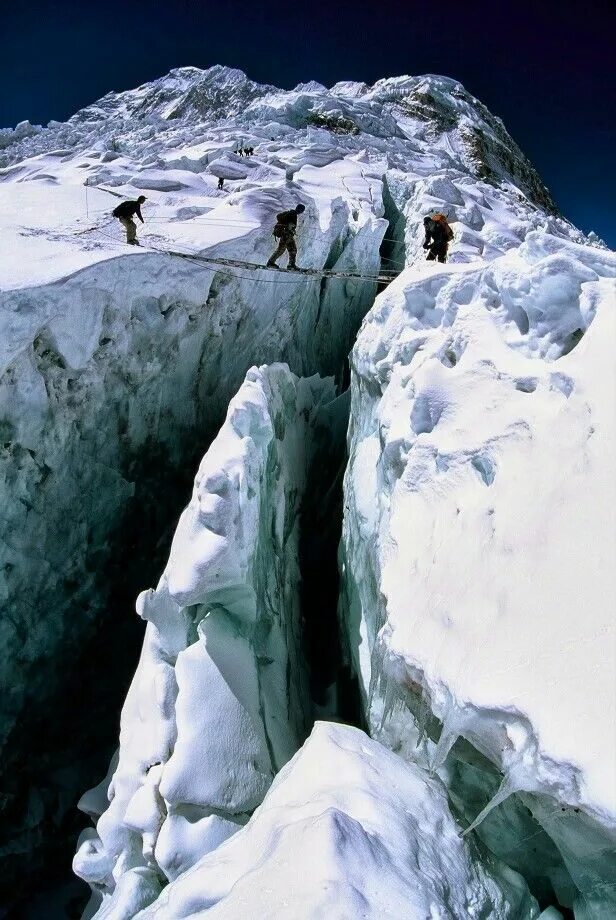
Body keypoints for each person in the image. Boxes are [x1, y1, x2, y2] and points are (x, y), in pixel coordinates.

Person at [267, 204, 306, 270]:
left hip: (287, 235)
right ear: (300, 210)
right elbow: (288, 223)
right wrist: (289, 226)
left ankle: (291, 265)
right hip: (286, 235)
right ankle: (270, 263)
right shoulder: (293, 213)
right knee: (281, 249)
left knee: (292, 249)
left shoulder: (292, 213)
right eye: (302, 210)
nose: (301, 212)